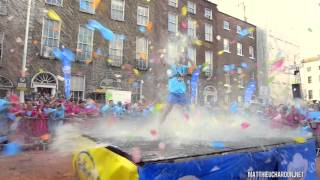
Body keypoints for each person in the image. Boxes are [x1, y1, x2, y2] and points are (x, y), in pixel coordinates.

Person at [159, 58, 194, 124]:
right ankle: (159, 125)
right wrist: (162, 58)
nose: (178, 62)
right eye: (177, 60)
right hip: (173, 93)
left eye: (179, 60)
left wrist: (189, 59)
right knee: (167, 111)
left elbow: (193, 67)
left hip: (182, 94)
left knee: (186, 111)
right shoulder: (171, 67)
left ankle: (188, 126)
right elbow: (163, 63)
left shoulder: (183, 68)